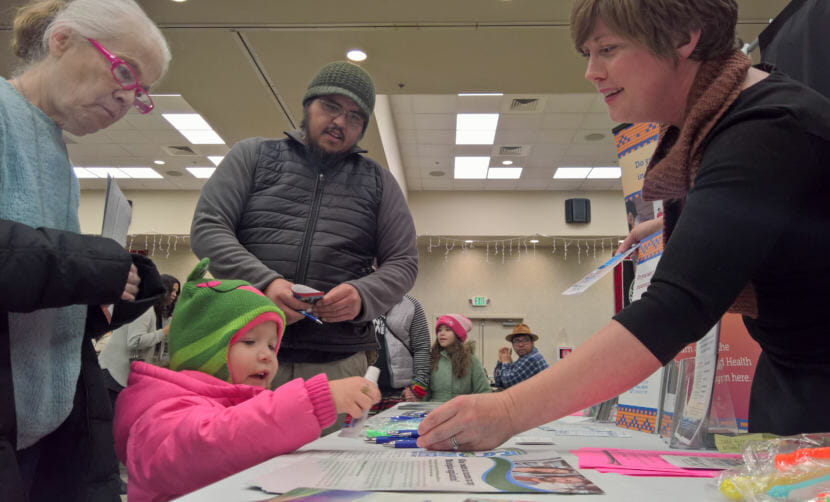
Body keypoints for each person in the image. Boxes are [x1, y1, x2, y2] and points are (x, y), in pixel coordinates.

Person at [417, 0, 830, 452]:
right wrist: (674, 228)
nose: (592, 72)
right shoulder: (724, 127)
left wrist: (510, 410)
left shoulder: (767, 128)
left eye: (608, 49)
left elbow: (674, 308)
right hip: (790, 379)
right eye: (587, 55)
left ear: (683, 36)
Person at [190, 60, 418, 433]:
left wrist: (363, 295)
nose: (340, 122)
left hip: (338, 362)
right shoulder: (253, 156)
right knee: (236, 466)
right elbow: (209, 229)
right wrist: (265, 283)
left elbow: (404, 262)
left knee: (326, 478)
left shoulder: (379, 183)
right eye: (331, 106)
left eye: (355, 116)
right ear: (307, 106)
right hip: (243, 351)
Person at [0, 0, 171, 498]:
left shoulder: (58, 154)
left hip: (51, 433)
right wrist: (89, 263)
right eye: (123, 70)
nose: (125, 97)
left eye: (139, 92)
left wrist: (112, 294)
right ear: (62, 41)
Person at [113, 259, 381, 501]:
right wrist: (317, 400)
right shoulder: (165, 406)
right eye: (250, 342)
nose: (267, 355)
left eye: (273, 344)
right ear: (205, 348)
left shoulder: (237, 403)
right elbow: (214, 442)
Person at [99, 274, 180, 409]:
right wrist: (164, 332)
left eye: (177, 292)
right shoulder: (145, 309)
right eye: (172, 290)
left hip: (123, 374)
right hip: (114, 373)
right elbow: (135, 342)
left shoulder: (156, 311)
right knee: (110, 417)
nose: (174, 295)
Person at [370, 294, 430, 413]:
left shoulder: (411, 304)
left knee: (399, 431)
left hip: (402, 392)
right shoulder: (362, 300)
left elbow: (422, 346)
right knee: (361, 431)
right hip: (365, 390)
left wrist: (418, 386)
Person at [426, 314, 490, 402]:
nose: (442, 333)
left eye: (448, 330)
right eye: (439, 330)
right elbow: (425, 392)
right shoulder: (433, 358)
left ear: (458, 334)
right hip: (434, 409)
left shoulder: (471, 360)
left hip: (462, 410)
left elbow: (483, 392)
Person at [493, 323, 549, 389]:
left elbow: (507, 384)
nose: (521, 345)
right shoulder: (523, 358)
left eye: (525, 340)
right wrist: (501, 361)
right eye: (516, 341)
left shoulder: (532, 359)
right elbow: (498, 383)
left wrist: (506, 362)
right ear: (512, 344)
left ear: (532, 343)